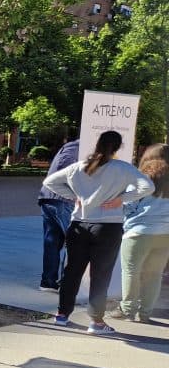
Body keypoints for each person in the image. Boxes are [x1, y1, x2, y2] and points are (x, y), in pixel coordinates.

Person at [42, 130, 154, 334]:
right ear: (118, 147)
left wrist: (74, 196)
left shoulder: (79, 167)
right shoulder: (123, 168)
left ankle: (62, 314)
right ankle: (96, 322)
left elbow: (49, 182)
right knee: (100, 275)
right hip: (108, 227)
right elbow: (148, 186)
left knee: (71, 272)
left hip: (79, 225)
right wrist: (122, 199)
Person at [111, 143, 169, 322]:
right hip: (166, 234)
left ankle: (127, 309)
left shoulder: (141, 176)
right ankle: (145, 313)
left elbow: (128, 204)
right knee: (154, 274)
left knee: (131, 271)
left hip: (139, 232)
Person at [37, 138, 79, 292]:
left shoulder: (70, 146)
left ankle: (48, 281)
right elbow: (64, 169)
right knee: (74, 241)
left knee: (52, 242)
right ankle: (66, 283)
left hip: (49, 198)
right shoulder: (77, 148)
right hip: (62, 199)